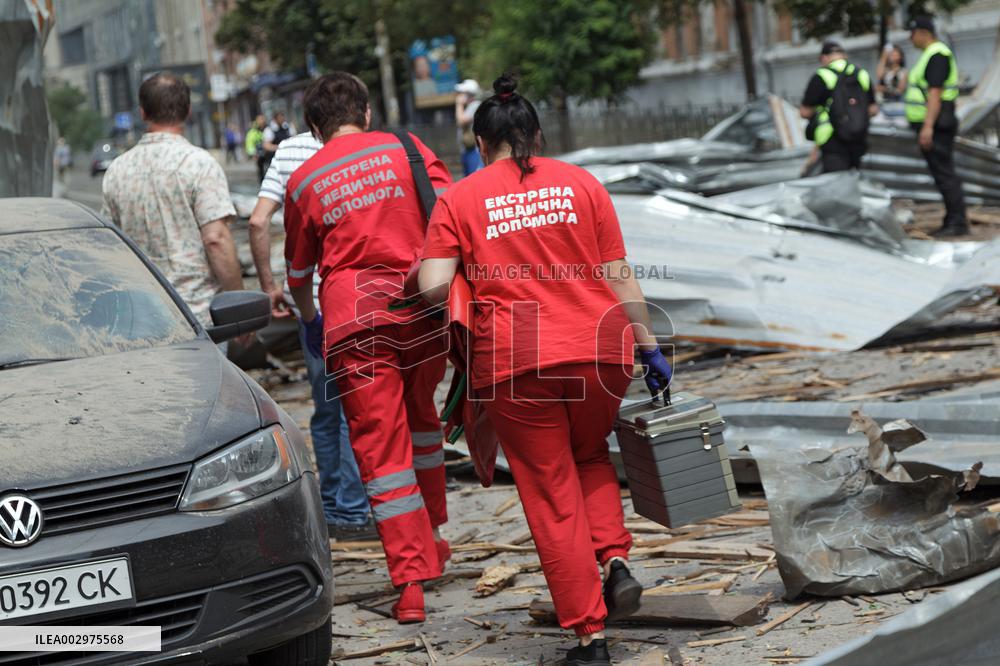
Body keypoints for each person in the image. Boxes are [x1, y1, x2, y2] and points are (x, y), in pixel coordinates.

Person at [418, 74, 673, 666]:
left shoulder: (460, 198)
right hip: (599, 350)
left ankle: (589, 635)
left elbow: (432, 289)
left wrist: (460, 278)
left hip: (517, 359)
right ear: (536, 134)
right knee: (588, 457)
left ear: (482, 144)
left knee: (551, 491)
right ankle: (614, 559)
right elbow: (619, 273)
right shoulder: (583, 184)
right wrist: (649, 346)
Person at [283, 72, 453, 624]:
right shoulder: (409, 148)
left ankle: (409, 582)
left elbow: (299, 270)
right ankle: (433, 538)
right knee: (424, 425)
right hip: (422, 309)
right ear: (367, 111)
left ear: (313, 128)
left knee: (382, 452)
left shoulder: (306, 181)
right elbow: (453, 218)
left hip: (355, 324)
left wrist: (309, 318)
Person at [248, 125, 376, 541]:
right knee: (358, 410)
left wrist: (271, 287)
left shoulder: (287, 151)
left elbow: (257, 220)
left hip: (311, 304)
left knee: (327, 408)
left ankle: (336, 503)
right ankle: (355, 510)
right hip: (358, 300)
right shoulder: (367, 151)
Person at [102, 72, 242, 326]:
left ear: (142, 113)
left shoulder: (117, 171)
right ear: (188, 111)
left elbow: (110, 247)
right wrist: (238, 304)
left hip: (141, 314)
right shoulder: (199, 164)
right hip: (197, 313)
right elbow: (216, 239)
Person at [906, 16, 968, 237]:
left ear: (924, 32)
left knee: (944, 173)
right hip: (936, 122)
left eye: (912, 33)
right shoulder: (928, 55)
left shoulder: (937, 54)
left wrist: (928, 126)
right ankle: (952, 218)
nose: (910, 38)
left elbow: (935, 93)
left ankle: (958, 222)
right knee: (941, 172)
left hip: (938, 123)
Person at [799, 41, 878, 172]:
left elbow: (804, 112)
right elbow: (873, 109)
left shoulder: (821, 76)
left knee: (836, 182)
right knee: (854, 178)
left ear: (824, 58)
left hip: (831, 138)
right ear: (844, 56)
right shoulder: (861, 74)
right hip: (859, 137)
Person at [455, 79, 484, 176]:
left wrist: (458, 104)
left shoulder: (476, 105)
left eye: (462, 93)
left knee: (474, 178)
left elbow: (461, 121)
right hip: (466, 150)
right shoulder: (469, 107)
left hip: (474, 151)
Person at [876, 43, 908, 123]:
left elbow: (900, 91)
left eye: (895, 54)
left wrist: (885, 89)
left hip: (897, 104)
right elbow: (879, 75)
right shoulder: (886, 70)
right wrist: (884, 57)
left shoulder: (903, 72)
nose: (892, 56)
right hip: (884, 104)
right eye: (891, 54)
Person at [260, 111, 294, 179]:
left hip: (287, 158)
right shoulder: (270, 130)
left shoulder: (287, 128)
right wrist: (279, 147)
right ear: (275, 119)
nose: (282, 120)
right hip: (274, 159)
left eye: (282, 118)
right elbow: (266, 145)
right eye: (280, 118)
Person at [246, 115, 266, 182]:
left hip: (267, 153)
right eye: (260, 119)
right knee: (262, 171)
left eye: (263, 119)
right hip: (259, 154)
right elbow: (249, 143)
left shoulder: (266, 128)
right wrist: (253, 154)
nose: (262, 121)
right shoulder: (253, 131)